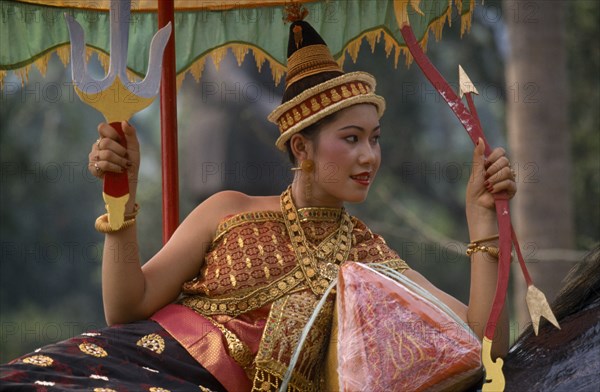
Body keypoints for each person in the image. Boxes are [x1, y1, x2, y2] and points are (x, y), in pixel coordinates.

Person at [0, 15, 514, 392]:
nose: (369, 156)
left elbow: (480, 343)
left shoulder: (368, 257)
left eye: (374, 139)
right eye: (351, 138)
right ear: (301, 147)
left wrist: (482, 220)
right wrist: (122, 197)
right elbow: (126, 306)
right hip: (132, 361)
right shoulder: (229, 209)